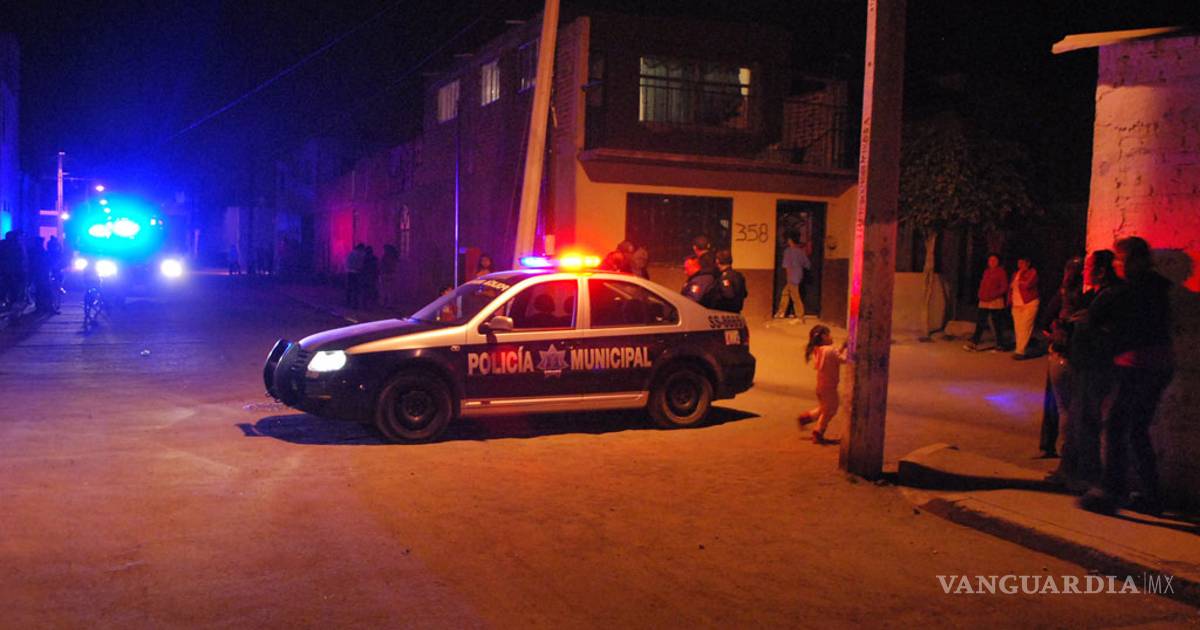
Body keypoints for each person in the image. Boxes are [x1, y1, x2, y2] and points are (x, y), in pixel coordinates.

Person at [1079, 237, 1174, 516]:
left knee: (1118, 426)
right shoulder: (1156, 287)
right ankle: (1150, 495)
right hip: (1156, 365)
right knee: (1135, 428)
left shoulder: (1133, 291)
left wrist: (1101, 327)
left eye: (1120, 259)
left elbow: (1113, 323)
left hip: (1137, 365)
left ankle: (1112, 491)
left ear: (1135, 260)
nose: (1117, 265)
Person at [1058, 250, 1121, 494]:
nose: (1084, 272)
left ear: (1101, 271)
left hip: (1095, 366)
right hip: (1083, 364)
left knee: (1086, 421)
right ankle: (1070, 470)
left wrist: (1086, 322)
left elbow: (1105, 330)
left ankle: (1087, 476)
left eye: (1088, 267)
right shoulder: (1093, 295)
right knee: (1077, 419)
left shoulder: (1111, 296)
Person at [1038, 257, 1084, 460]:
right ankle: (1068, 453)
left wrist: (1052, 333)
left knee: (1055, 402)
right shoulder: (1085, 296)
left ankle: (1048, 444)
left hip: (1060, 351)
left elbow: (1045, 319)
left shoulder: (1064, 292)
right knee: (1068, 406)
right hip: (1071, 352)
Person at [797, 325, 848, 445]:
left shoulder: (820, 350)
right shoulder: (830, 350)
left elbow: (834, 357)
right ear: (824, 336)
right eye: (829, 334)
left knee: (825, 408)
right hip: (829, 387)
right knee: (831, 409)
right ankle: (818, 431)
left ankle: (806, 417)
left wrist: (842, 347)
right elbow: (844, 359)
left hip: (822, 386)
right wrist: (848, 349)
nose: (831, 337)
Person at [964, 254, 1012, 351]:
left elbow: (1004, 287)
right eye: (990, 260)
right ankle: (974, 343)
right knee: (980, 322)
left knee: (996, 323)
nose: (992, 262)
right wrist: (980, 294)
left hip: (995, 301)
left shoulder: (1001, 272)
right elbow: (983, 284)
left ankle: (1000, 344)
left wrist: (994, 295)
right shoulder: (987, 271)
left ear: (998, 262)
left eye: (994, 260)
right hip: (984, 300)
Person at [775, 232, 810, 320]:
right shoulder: (801, 252)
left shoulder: (788, 252)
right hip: (798, 276)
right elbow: (807, 265)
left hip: (791, 276)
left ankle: (799, 314)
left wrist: (788, 277)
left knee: (795, 296)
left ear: (790, 240)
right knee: (785, 293)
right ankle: (781, 311)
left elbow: (787, 266)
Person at [1010, 255, 1039, 359]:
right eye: (1019, 263)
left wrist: (1019, 282)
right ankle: (1019, 348)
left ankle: (1020, 351)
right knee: (1018, 328)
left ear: (1028, 263)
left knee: (1025, 327)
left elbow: (1028, 284)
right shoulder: (1015, 274)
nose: (1020, 265)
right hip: (1016, 304)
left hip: (1029, 303)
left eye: (1022, 263)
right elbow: (1011, 288)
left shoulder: (1032, 272)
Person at [712, 249, 747, 313]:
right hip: (737, 311)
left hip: (726, 312)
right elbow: (745, 294)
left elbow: (728, 294)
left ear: (717, 261)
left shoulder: (725, 277)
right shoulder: (738, 275)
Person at [345, 244, 365, 308]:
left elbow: (346, 262)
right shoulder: (359, 254)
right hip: (356, 272)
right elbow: (360, 264)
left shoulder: (350, 254)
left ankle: (348, 301)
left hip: (349, 272)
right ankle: (355, 303)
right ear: (360, 248)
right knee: (356, 288)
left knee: (350, 288)